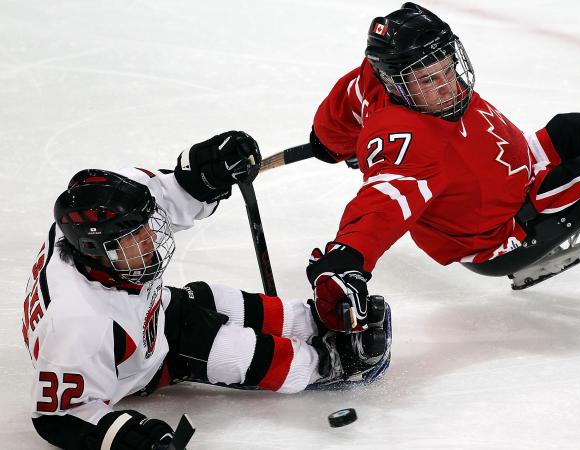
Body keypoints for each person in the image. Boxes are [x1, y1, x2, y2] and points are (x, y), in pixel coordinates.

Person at [304, 2, 580, 331]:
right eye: (427, 80)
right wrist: (350, 258)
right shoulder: (407, 140)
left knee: (575, 129)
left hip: (516, 169)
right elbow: (385, 201)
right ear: (396, 82)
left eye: (445, 67)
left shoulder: (373, 81)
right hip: (506, 225)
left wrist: (329, 144)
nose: (446, 85)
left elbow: (342, 109)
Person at [22, 131, 391, 449]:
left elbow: (168, 193)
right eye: (136, 238)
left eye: (144, 227)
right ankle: (327, 363)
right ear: (95, 250)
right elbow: (59, 415)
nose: (151, 236)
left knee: (213, 299)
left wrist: (206, 170)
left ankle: (310, 321)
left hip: (152, 313)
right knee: (230, 350)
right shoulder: (77, 325)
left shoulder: (105, 232)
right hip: (140, 366)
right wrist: (127, 437)